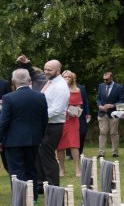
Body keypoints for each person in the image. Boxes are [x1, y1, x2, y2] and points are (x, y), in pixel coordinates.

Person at [0, 69, 48, 197]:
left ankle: (21, 197)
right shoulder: (39, 96)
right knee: (31, 168)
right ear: (29, 81)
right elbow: (44, 120)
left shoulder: (8, 98)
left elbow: (3, 122)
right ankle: (33, 197)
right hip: (33, 138)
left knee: (16, 170)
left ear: (13, 82)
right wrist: (40, 136)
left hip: (13, 140)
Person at [36, 59, 68, 192]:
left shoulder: (60, 86)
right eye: (45, 69)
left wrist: (37, 115)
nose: (46, 71)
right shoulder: (50, 82)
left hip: (53, 126)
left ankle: (54, 186)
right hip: (45, 124)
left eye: (49, 69)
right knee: (40, 154)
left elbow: (57, 110)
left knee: (48, 156)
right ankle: (42, 185)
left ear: (58, 71)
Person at [56, 70, 84, 177]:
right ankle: (62, 169)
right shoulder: (57, 90)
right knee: (60, 146)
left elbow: (79, 106)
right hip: (60, 120)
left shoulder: (76, 90)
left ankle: (77, 169)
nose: (67, 78)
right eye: (65, 76)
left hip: (72, 121)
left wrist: (75, 110)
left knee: (74, 144)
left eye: (69, 77)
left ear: (72, 79)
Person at [95, 71, 124, 158]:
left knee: (114, 133)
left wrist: (112, 105)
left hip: (114, 114)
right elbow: (98, 98)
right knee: (102, 132)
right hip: (102, 113)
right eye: (104, 79)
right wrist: (100, 106)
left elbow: (122, 101)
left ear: (111, 78)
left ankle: (115, 152)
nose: (105, 81)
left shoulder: (119, 87)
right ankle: (101, 152)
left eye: (107, 79)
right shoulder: (101, 86)